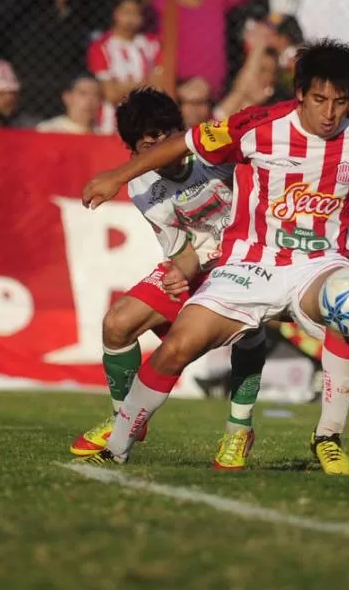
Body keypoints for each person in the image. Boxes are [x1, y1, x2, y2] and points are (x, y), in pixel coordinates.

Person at [79, 39, 349, 474]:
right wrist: (116, 177)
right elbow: (186, 144)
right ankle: (118, 447)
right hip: (246, 264)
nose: (330, 113)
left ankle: (327, 436)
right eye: (319, 99)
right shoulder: (257, 125)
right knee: (177, 346)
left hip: (319, 264)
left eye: (341, 101)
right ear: (300, 94)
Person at [70, 87, 268, 471]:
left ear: (182, 129)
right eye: (149, 143)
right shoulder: (143, 186)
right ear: (133, 151)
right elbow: (181, 250)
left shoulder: (215, 150)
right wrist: (180, 273)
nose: (163, 147)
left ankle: (239, 429)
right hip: (201, 265)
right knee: (117, 323)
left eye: (167, 136)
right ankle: (125, 418)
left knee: (251, 334)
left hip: (249, 260)